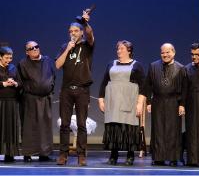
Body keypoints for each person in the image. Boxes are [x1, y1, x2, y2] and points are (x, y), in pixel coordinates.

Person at [55, 10, 95, 166]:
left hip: (82, 90)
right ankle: (63, 154)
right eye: (70, 31)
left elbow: (91, 35)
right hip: (66, 90)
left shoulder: (87, 45)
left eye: (76, 31)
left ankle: (81, 155)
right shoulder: (65, 46)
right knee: (64, 124)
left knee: (81, 124)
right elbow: (58, 65)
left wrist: (85, 23)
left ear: (81, 33)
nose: (73, 33)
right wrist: (68, 49)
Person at [97, 40, 147, 166]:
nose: (119, 51)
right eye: (118, 49)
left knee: (129, 127)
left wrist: (140, 103)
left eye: (122, 49)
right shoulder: (111, 64)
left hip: (129, 100)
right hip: (113, 101)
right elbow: (104, 82)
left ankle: (130, 156)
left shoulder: (137, 65)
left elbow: (143, 86)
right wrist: (101, 99)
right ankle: (113, 155)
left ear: (129, 51)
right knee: (114, 127)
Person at [144, 43, 187, 166]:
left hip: (173, 102)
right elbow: (148, 85)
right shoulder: (153, 66)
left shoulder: (181, 68)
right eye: (162, 52)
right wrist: (148, 102)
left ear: (173, 52)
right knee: (158, 129)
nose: (165, 55)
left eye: (168, 52)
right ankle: (158, 157)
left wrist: (182, 104)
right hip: (157, 101)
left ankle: (173, 158)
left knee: (173, 130)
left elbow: (184, 88)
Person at [17, 41, 56, 162]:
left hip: (45, 99)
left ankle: (44, 154)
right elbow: (20, 81)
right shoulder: (23, 63)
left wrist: (50, 89)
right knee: (29, 126)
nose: (35, 49)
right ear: (27, 52)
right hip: (30, 99)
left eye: (36, 47)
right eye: (31, 48)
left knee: (45, 126)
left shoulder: (47, 61)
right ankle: (28, 153)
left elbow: (53, 76)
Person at [184, 43, 199, 167]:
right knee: (191, 131)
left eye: (197, 54)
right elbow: (184, 88)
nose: (194, 57)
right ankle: (192, 159)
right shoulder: (187, 68)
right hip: (191, 102)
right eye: (192, 55)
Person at [0, 47, 20, 163]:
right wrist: (3, 83)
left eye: (10, 58)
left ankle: (9, 153)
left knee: (10, 129)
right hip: (0, 101)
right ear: (0, 56)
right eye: (6, 58)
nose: (9, 60)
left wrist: (16, 83)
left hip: (12, 101)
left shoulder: (13, 68)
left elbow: (21, 83)